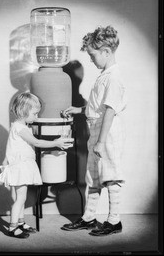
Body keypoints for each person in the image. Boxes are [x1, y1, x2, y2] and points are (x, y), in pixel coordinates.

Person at [61, 25, 127, 236]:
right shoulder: (104, 75)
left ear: (106, 52)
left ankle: (114, 221)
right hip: (96, 129)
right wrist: (80, 109)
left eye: (92, 55)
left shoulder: (114, 77)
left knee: (110, 175)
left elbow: (109, 110)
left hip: (107, 132)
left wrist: (100, 140)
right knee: (93, 176)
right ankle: (89, 217)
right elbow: (98, 106)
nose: (91, 60)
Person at [0, 92, 74, 238]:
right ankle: (12, 227)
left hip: (22, 166)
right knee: (20, 198)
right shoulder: (20, 128)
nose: (37, 117)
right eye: (34, 114)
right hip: (20, 167)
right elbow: (37, 143)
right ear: (24, 111)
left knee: (21, 197)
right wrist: (56, 143)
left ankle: (20, 223)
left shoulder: (21, 127)